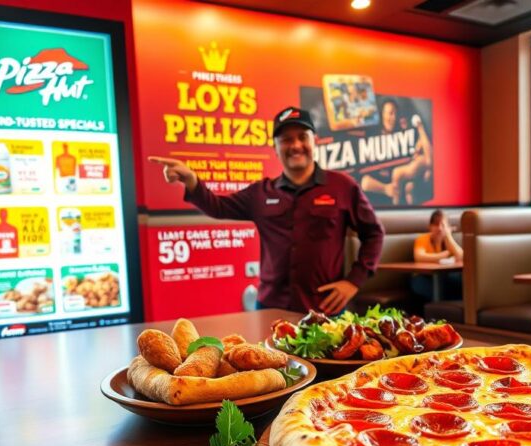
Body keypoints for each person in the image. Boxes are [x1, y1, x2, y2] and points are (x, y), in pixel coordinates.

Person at [149, 106, 384, 315]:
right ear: (275, 147)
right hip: (271, 308)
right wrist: (191, 180)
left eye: (302, 137)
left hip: (324, 309)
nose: (295, 145)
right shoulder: (260, 193)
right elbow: (218, 206)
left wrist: (354, 281)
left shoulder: (342, 186)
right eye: (286, 139)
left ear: (315, 141)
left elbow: (374, 233)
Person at [360, 99, 434, 206]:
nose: (393, 118)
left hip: (402, 184)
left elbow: (428, 160)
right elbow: (364, 182)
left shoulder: (404, 134)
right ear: (382, 115)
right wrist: (386, 189)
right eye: (390, 113)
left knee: (409, 184)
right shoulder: (373, 138)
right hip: (382, 186)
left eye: (395, 114)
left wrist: (420, 128)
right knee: (366, 182)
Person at [411, 210, 463, 301]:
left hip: (444, 278)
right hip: (423, 277)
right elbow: (419, 257)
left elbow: (461, 257)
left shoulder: (448, 241)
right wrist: (443, 255)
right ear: (430, 227)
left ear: (448, 227)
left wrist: (448, 236)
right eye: (436, 225)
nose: (439, 228)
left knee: (461, 283)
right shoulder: (422, 239)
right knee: (433, 289)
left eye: (443, 225)